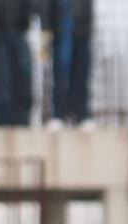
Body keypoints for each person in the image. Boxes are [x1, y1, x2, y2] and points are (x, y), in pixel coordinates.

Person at [44, 0, 93, 128]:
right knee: (59, 77)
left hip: (81, 34)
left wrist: (87, 29)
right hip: (60, 34)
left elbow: (88, 9)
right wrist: (46, 30)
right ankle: (58, 115)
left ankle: (82, 116)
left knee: (81, 76)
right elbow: (46, 7)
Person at [0, 0, 35, 127]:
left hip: (19, 31)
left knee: (23, 73)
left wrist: (26, 17)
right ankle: (1, 117)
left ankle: (22, 117)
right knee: (1, 77)